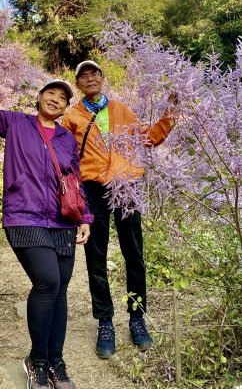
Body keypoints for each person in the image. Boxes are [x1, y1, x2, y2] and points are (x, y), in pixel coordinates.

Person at [0, 59, 93, 389]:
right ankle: (37, 361)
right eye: (51, 93)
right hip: (24, 216)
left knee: (61, 289)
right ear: (39, 97)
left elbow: (76, 180)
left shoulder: (68, 139)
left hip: (62, 222)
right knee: (47, 282)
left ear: (66, 106)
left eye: (62, 97)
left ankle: (56, 360)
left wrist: (86, 218)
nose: (56, 99)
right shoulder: (16, 123)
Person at [62, 60, 178, 359]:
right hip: (93, 189)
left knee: (133, 253)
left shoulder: (120, 109)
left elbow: (148, 138)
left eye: (94, 74)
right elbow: (66, 158)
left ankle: (137, 317)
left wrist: (171, 114)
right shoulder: (72, 116)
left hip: (126, 185)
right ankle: (105, 322)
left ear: (102, 78)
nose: (89, 79)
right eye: (83, 76)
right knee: (96, 256)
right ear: (78, 84)